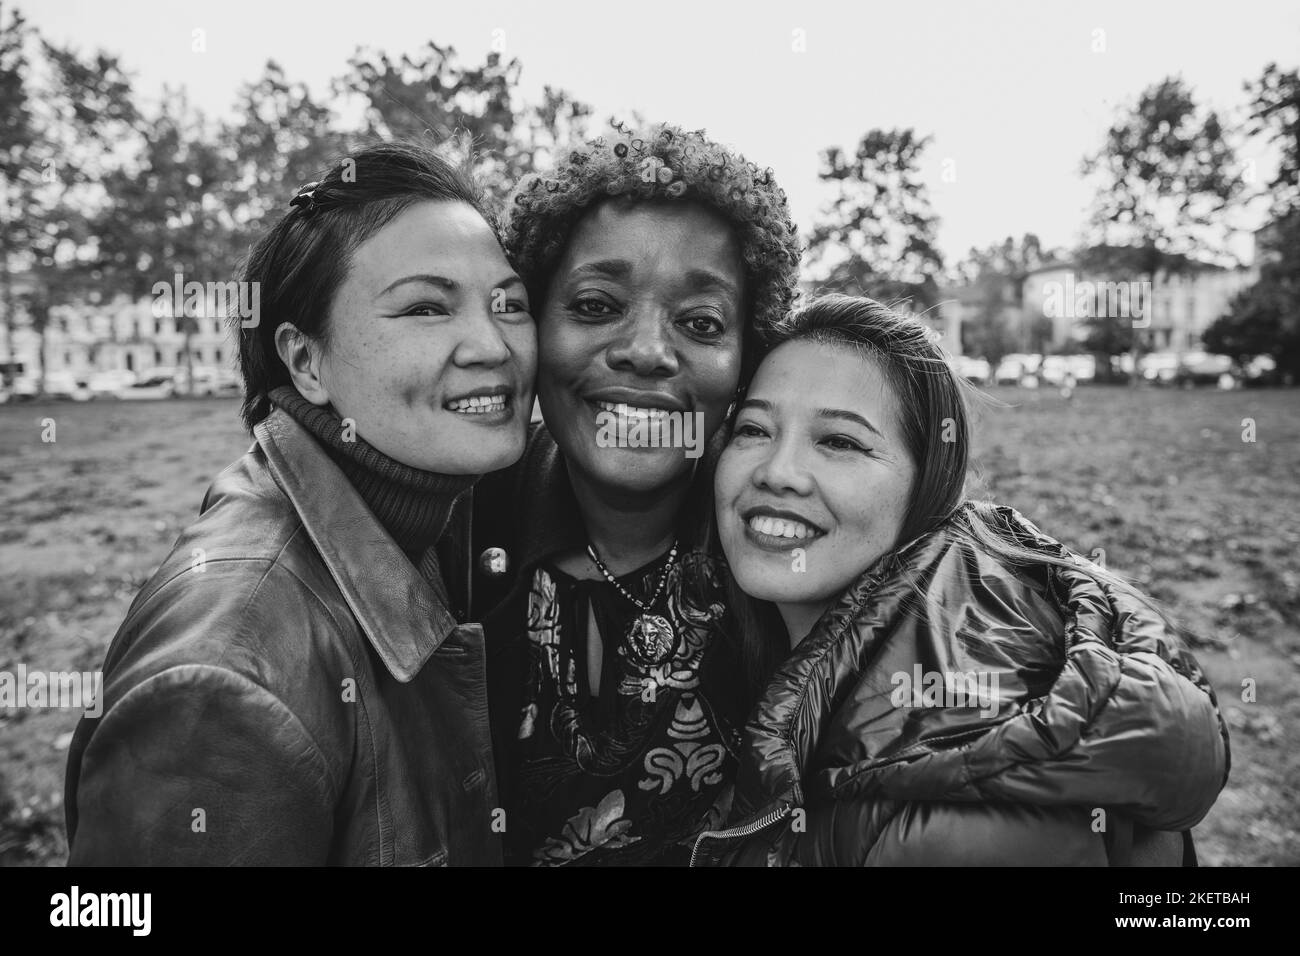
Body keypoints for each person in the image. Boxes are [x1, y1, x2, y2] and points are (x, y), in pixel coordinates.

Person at [64, 142, 536, 865]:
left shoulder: (427, 504)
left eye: (508, 303)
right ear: (306, 361)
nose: (491, 344)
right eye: (425, 306)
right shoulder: (225, 687)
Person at [698, 294, 1230, 866]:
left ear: (928, 483)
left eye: (840, 441)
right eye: (754, 429)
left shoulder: (956, 819)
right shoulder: (744, 659)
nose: (776, 472)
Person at [451, 122, 802, 865]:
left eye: (701, 322)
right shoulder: (452, 527)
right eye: (595, 305)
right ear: (533, 330)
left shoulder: (798, 541)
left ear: (747, 361)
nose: (645, 350)